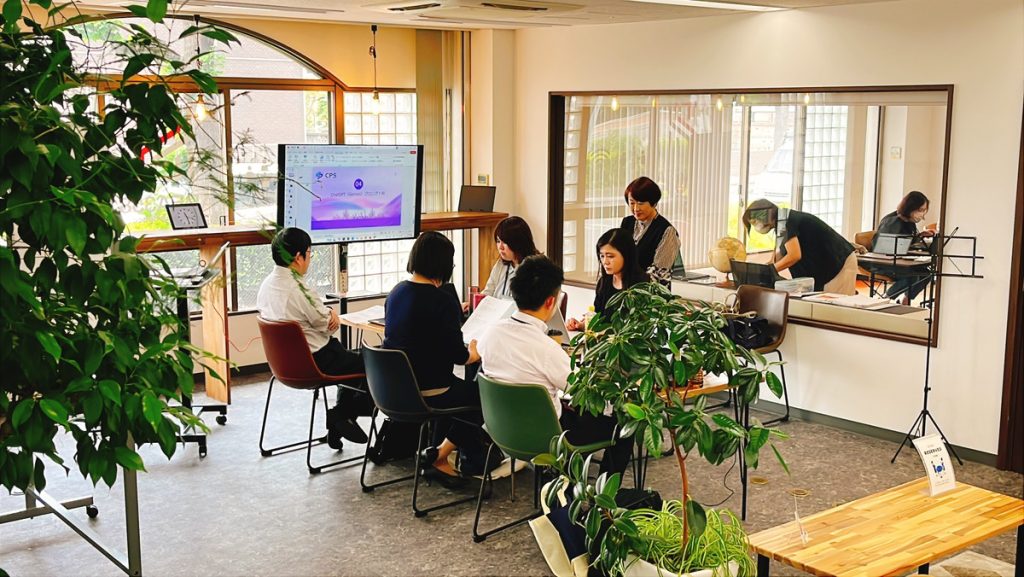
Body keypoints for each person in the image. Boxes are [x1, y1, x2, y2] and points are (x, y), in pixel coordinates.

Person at [477, 255, 632, 475]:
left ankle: (567, 479)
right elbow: (581, 390)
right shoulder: (546, 348)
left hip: (503, 432)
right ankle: (604, 492)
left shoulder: (491, 333)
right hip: (548, 437)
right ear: (551, 302)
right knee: (624, 425)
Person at [382, 231, 487, 485]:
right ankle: (440, 455)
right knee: (485, 398)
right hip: (431, 391)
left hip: (396, 391)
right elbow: (458, 355)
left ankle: (447, 453)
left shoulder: (396, 293)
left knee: (459, 390)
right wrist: (473, 353)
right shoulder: (442, 301)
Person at [256, 227, 370, 450]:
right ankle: (341, 415)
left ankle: (340, 422)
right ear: (298, 257)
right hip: (317, 361)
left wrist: (326, 314)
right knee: (375, 362)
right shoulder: (299, 289)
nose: (310, 259)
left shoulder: (266, 285)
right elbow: (327, 325)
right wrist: (331, 313)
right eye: (309, 253)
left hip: (284, 366)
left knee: (353, 360)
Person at [742, 199, 858, 294]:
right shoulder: (782, 222)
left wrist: (770, 270)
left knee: (835, 308)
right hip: (827, 266)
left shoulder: (785, 221)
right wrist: (762, 270)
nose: (756, 226)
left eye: (754, 222)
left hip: (838, 264)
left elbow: (794, 255)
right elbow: (780, 254)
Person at [566, 228, 650, 331]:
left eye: (610, 256)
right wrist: (581, 325)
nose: (605, 262)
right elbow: (598, 318)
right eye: (602, 256)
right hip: (602, 339)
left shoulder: (642, 286)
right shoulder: (604, 282)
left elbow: (638, 328)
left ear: (626, 255)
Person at [874, 190, 935, 303]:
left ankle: (906, 300)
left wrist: (920, 236)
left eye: (924, 210)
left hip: (900, 261)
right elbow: (886, 248)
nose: (922, 214)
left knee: (926, 274)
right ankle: (884, 299)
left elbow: (907, 241)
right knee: (912, 276)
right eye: (920, 210)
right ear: (911, 207)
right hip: (884, 263)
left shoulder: (909, 222)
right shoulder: (891, 222)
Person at [619, 176, 681, 283]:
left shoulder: (667, 231)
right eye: (632, 203)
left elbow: (659, 274)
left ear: (654, 203)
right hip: (624, 286)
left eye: (641, 203)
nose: (636, 208)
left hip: (649, 290)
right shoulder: (627, 222)